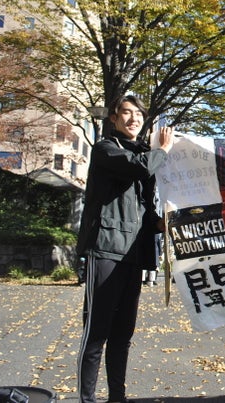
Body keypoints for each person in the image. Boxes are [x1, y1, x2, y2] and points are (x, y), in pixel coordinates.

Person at [76, 94, 174, 403]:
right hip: (105, 248)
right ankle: (86, 399)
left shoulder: (142, 153)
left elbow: (142, 208)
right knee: (96, 333)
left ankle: (117, 397)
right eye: (126, 113)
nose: (133, 119)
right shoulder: (106, 150)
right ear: (114, 119)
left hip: (134, 253)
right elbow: (138, 168)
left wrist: (159, 224)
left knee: (122, 336)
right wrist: (163, 150)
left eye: (139, 115)